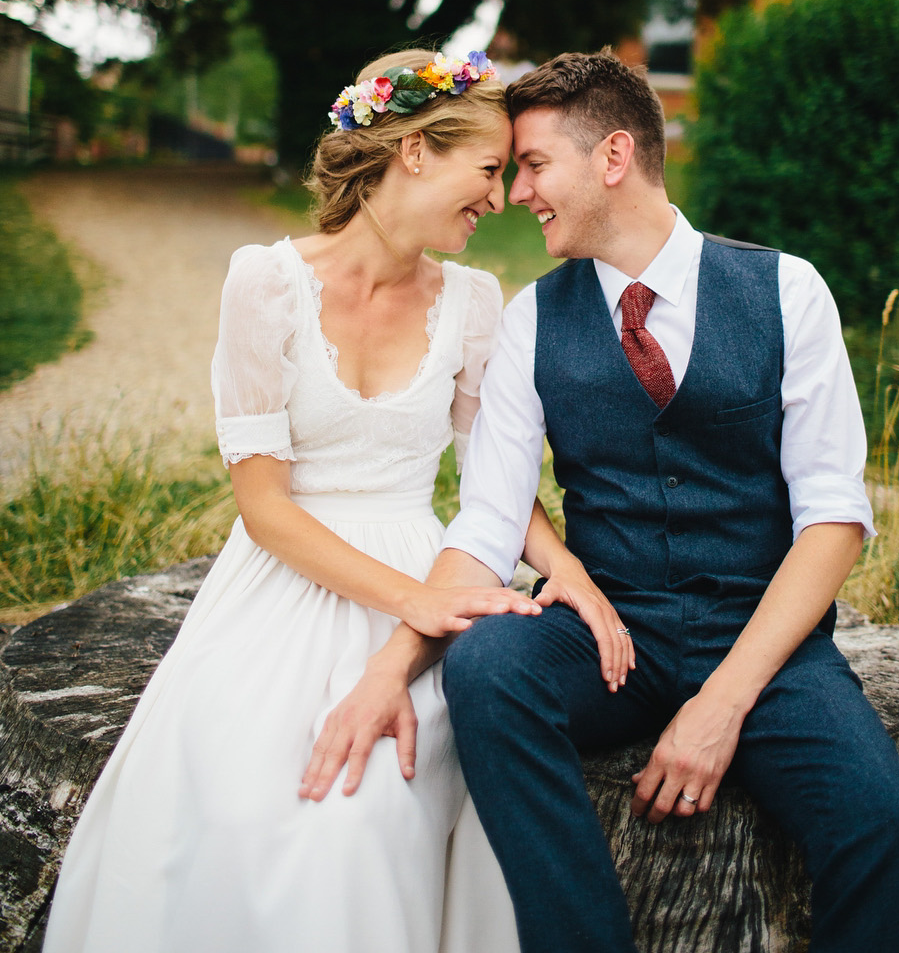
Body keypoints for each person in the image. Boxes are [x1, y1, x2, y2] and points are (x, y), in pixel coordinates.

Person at [301, 50, 899, 953]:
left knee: (883, 826)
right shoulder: (529, 321)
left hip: (767, 643)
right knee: (488, 668)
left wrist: (721, 704)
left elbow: (833, 520)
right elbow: (489, 513)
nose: (518, 193)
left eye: (533, 165)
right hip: (613, 637)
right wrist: (392, 667)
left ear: (612, 157)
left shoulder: (789, 291)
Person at [43, 47, 626, 953]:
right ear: (414, 153)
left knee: (371, 810)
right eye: (487, 169)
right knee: (244, 802)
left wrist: (568, 573)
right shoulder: (265, 283)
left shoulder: (475, 302)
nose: (500, 195)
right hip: (286, 578)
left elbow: (495, 481)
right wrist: (415, 600)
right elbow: (265, 509)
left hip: (425, 575)